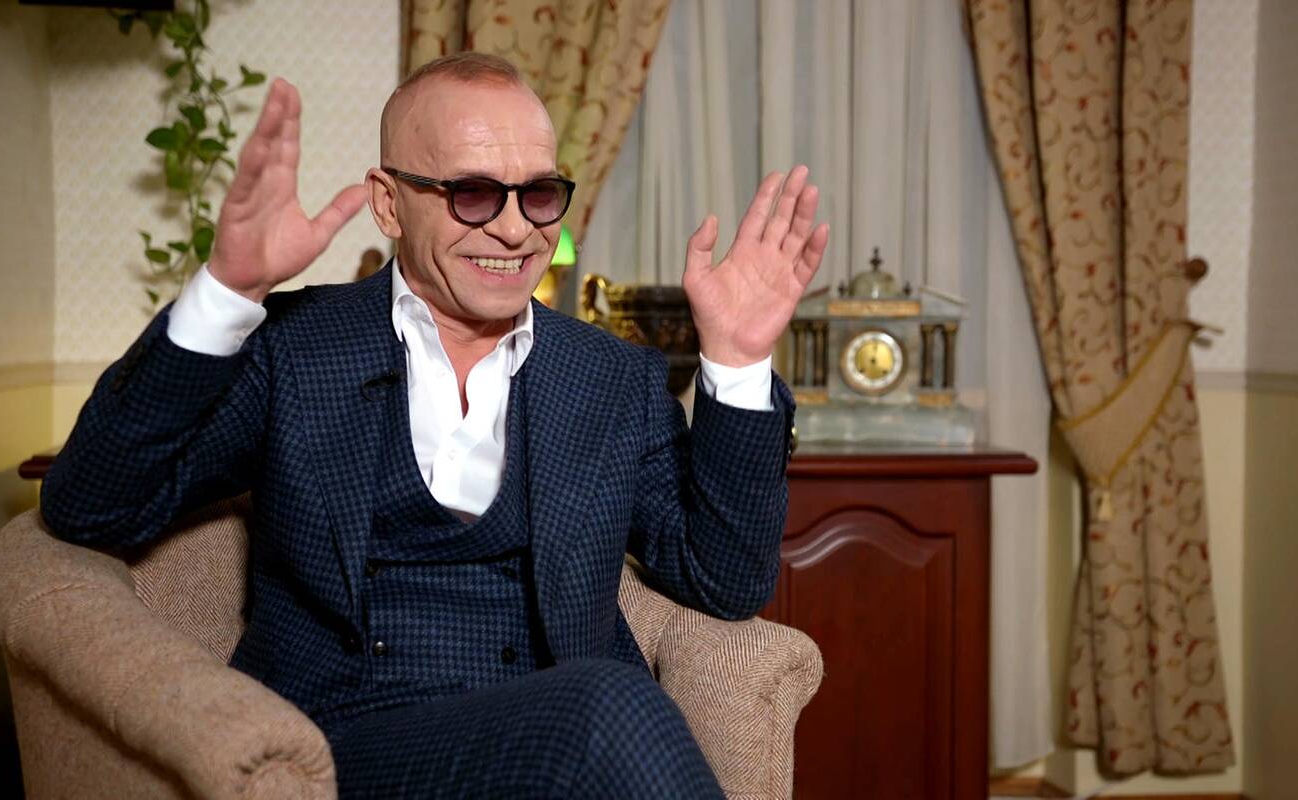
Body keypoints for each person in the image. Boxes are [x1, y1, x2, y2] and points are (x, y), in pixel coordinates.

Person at [41, 52, 828, 798]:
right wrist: (227, 292)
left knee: (601, 708)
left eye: (538, 194)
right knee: (607, 706)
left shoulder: (611, 377)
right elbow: (91, 507)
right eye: (474, 194)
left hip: (558, 738)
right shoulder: (295, 349)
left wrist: (737, 359)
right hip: (349, 742)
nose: (516, 230)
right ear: (389, 202)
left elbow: (722, 581)